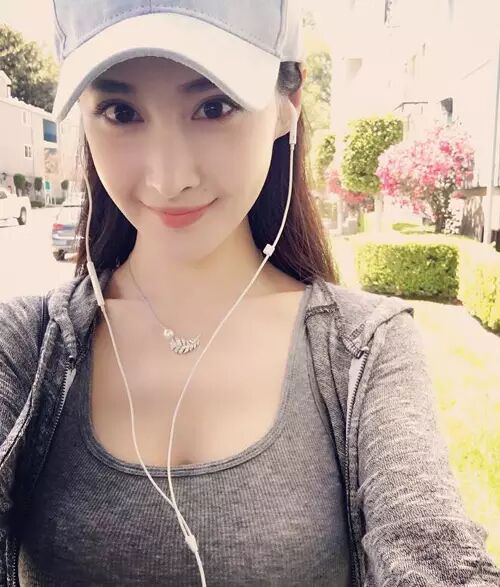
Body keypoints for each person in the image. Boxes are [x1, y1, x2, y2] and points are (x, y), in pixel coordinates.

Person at [0, 0, 499, 585]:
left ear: (289, 101)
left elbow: (430, 547)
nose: (169, 177)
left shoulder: (364, 352)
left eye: (213, 107)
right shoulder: (25, 348)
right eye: (121, 112)